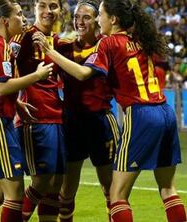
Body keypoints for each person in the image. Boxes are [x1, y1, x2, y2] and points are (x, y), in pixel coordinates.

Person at [33, 0, 187, 221]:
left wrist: (49, 50)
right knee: (168, 188)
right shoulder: (138, 39)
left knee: (116, 195)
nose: (96, 20)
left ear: (112, 19)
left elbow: (84, 74)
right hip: (165, 111)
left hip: (138, 116)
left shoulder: (108, 43)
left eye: (98, 15)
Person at [0, 1, 54, 222]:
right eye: (19, 14)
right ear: (5, 21)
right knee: (14, 193)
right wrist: (36, 76)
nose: (23, 19)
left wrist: (16, 104)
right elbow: (2, 87)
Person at [56, 1, 119, 221]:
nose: (80, 21)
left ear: (97, 21)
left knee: (110, 189)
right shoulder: (63, 48)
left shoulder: (108, 46)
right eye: (76, 16)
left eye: (86, 17)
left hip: (100, 121)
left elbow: (84, 74)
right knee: (66, 192)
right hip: (71, 122)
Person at [10, 0, 66, 221]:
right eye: (42, 5)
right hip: (35, 119)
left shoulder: (59, 42)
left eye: (53, 6)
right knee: (41, 180)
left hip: (59, 118)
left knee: (57, 182)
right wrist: (15, 102)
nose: (48, 11)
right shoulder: (22, 36)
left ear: (61, 10)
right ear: (34, 8)